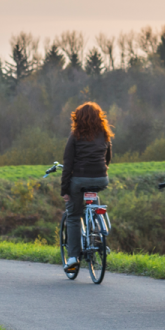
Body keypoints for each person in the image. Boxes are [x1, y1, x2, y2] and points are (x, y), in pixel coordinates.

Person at [61, 101, 114, 274]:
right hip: (101, 179)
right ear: (99, 118)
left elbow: (68, 164)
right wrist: (100, 173)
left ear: (78, 118)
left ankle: (73, 258)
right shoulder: (105, 135)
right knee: (93, 204)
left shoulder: (75, 136)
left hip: (80, 180)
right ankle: (99, 241)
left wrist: (64, 190)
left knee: (74, 216)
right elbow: (108, 159)